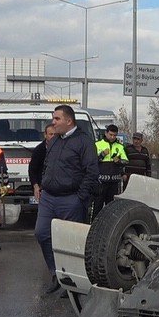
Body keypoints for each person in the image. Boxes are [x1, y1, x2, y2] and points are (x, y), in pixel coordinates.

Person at [35, 105, 98, 291]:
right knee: (42, 233)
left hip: (71, 199)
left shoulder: (84, 142)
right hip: (48, 198)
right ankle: (56, 274)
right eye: (53, 118)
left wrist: (80, 197)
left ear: (69, 121)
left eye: (57, 119)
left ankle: (71, 283)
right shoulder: (54, 140)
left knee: (71, 242)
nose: (53, 122)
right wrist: (43, 183)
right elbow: (47, 165)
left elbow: (92, 172)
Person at [93, 124, 129, 218]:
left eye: (114, 135)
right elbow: (92, 161)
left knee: (112, 209)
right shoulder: (97, 144)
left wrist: (119, 161)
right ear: (106, 133)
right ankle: (94, 225)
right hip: (101, 182)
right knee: (97, 207)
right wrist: (102, 155)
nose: (112, 137)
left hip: (114, 183)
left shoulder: (120, 146)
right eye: (111, 134)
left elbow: (126, 161)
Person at [28, 123, 56, 202]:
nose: (53, 136)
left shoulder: (64, 149)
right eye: (51, 134)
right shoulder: (39, 150)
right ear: (45, 135)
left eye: (55, 134)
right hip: (43, 188)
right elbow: (32, 170)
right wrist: (36, 186)